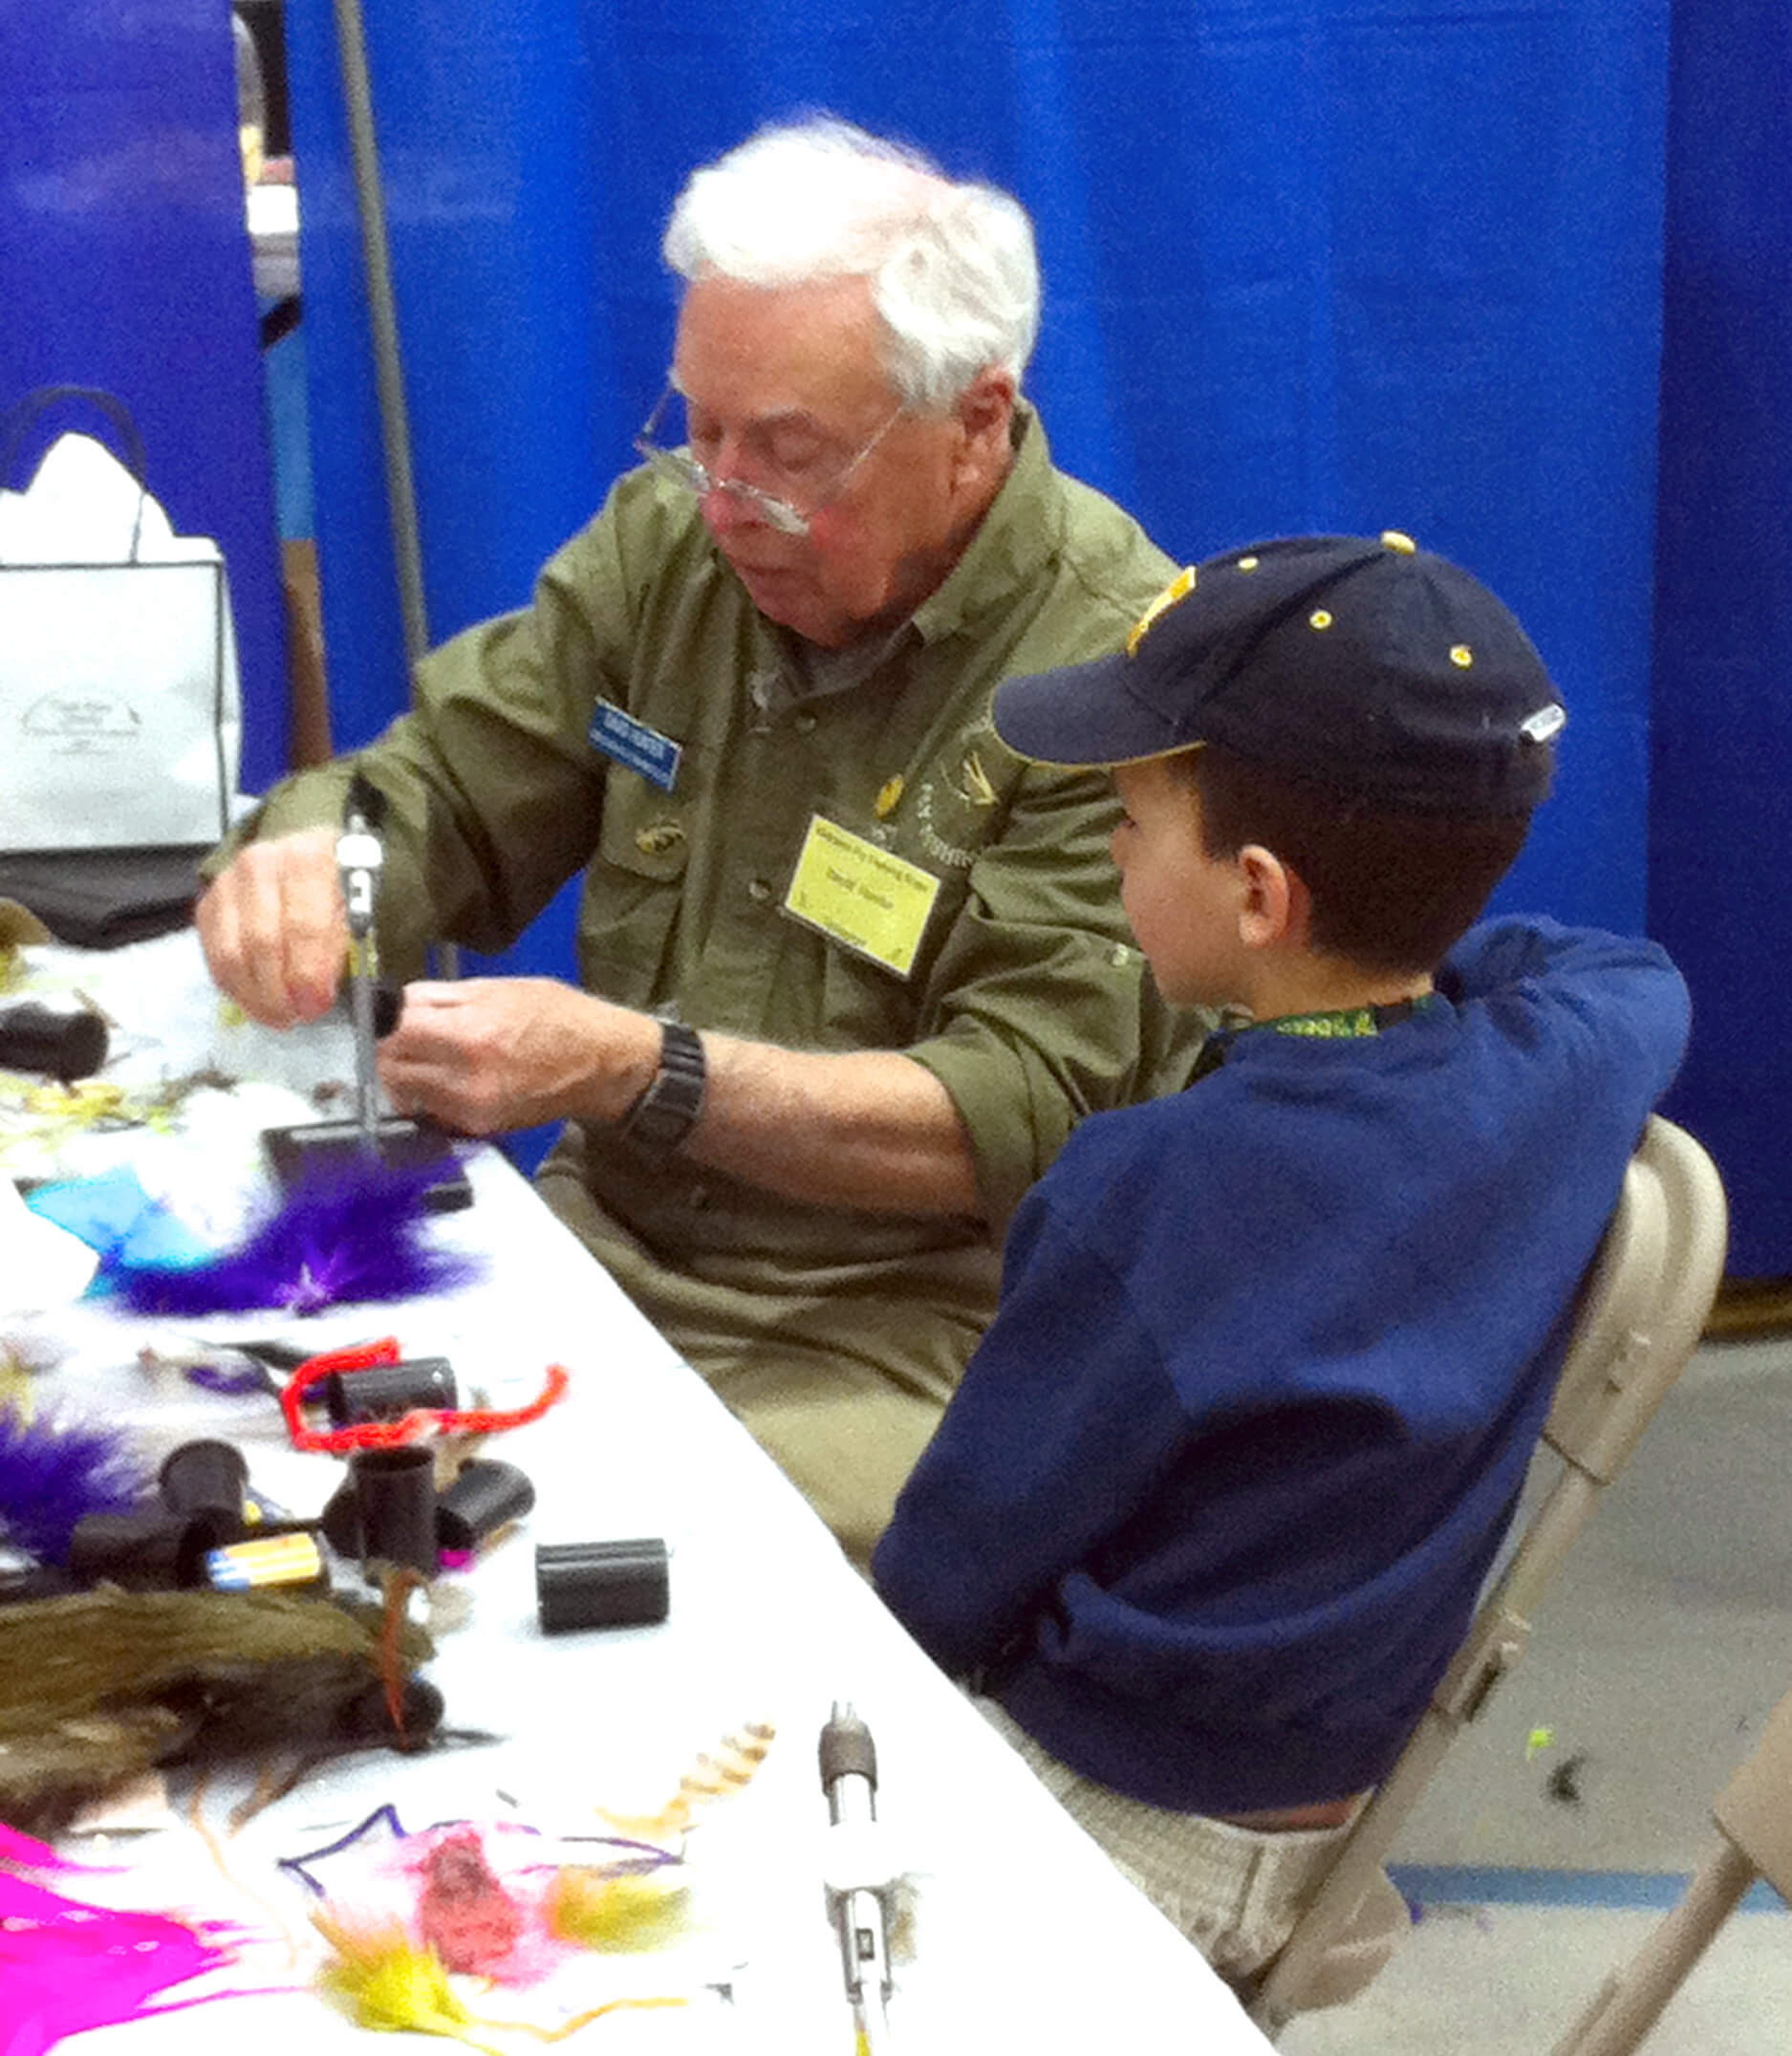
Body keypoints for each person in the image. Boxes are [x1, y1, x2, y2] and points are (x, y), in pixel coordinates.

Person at [195, 118, 1202, 1562]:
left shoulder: (1117, 674)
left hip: (910, 1329)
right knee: (267, 1477)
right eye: (700, 428)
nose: (726, 501)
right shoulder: (671, 547)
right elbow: (449, 790)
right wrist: (315, 865)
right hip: (607, 1240)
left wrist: (636, 1069)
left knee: (552, 1559)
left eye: (787, 452)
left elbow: (1023, 1110)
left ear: (976, 422)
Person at [872, 531, 1692, 1992]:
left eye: (1129, 819)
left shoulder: (1145, 1188)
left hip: (1107, 1821)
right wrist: (1411, 967)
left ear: (1258, 896)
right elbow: (1631, 976)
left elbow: (942, 1583)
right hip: (1315, 1835)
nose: (1111, 849)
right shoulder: (1552, 1076)